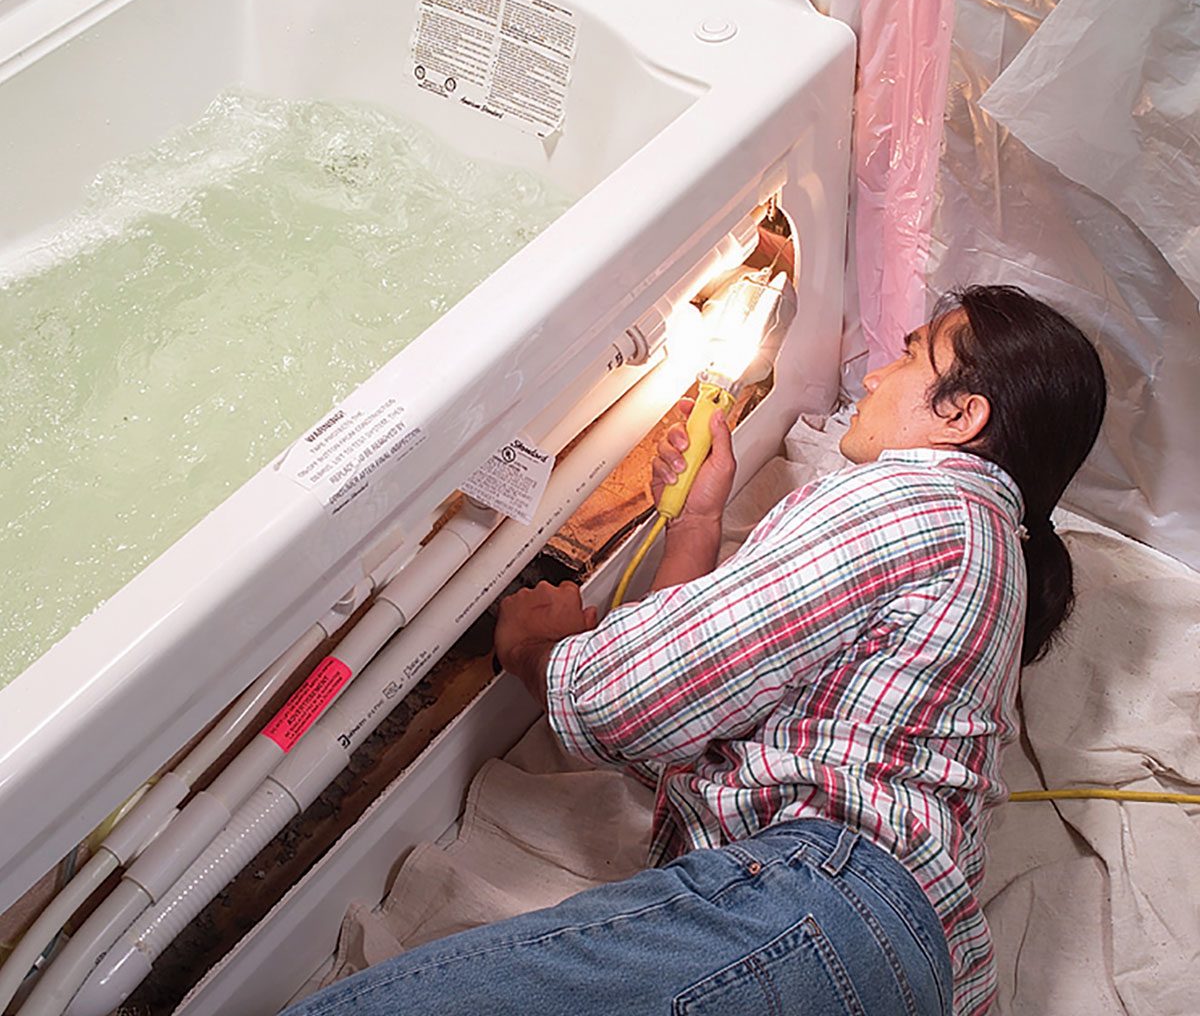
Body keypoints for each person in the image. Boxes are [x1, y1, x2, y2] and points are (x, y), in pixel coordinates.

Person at [284, 285, 1106, 1016]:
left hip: (818, 909)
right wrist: (696, 525)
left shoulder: (916, 499)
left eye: (908, 356)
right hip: (909, 968)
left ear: (962, 416)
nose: (873, 379)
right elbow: (696, 717)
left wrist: (537, 646)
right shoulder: (986, 555)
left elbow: (627, 697)